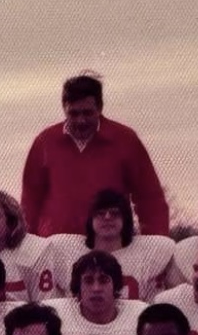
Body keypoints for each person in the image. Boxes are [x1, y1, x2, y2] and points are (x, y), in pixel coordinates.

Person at [21, 73, 168, 236]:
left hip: (110, 243)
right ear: (64, 108)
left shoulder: (125, 140)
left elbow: (149, 196)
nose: (81, 121)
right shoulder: (45, 142)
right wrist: (27, 243)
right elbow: (30, 200)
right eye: (74, 114)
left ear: (100, 108)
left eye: (87, 113)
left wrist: (156, 241)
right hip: (55, 245)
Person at [49, 188, 178, 301]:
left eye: (115, 213)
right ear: (91, 220)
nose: (107, 218)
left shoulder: (151, 250)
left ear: (125, 220)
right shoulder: (66, 248)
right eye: (100, 213)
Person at [45, 251, 146, 335]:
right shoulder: (56, 314)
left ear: (115, 286)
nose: (96, 288)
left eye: (103, 280)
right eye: (88, 281)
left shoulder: (139, 314)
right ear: (79, 287)